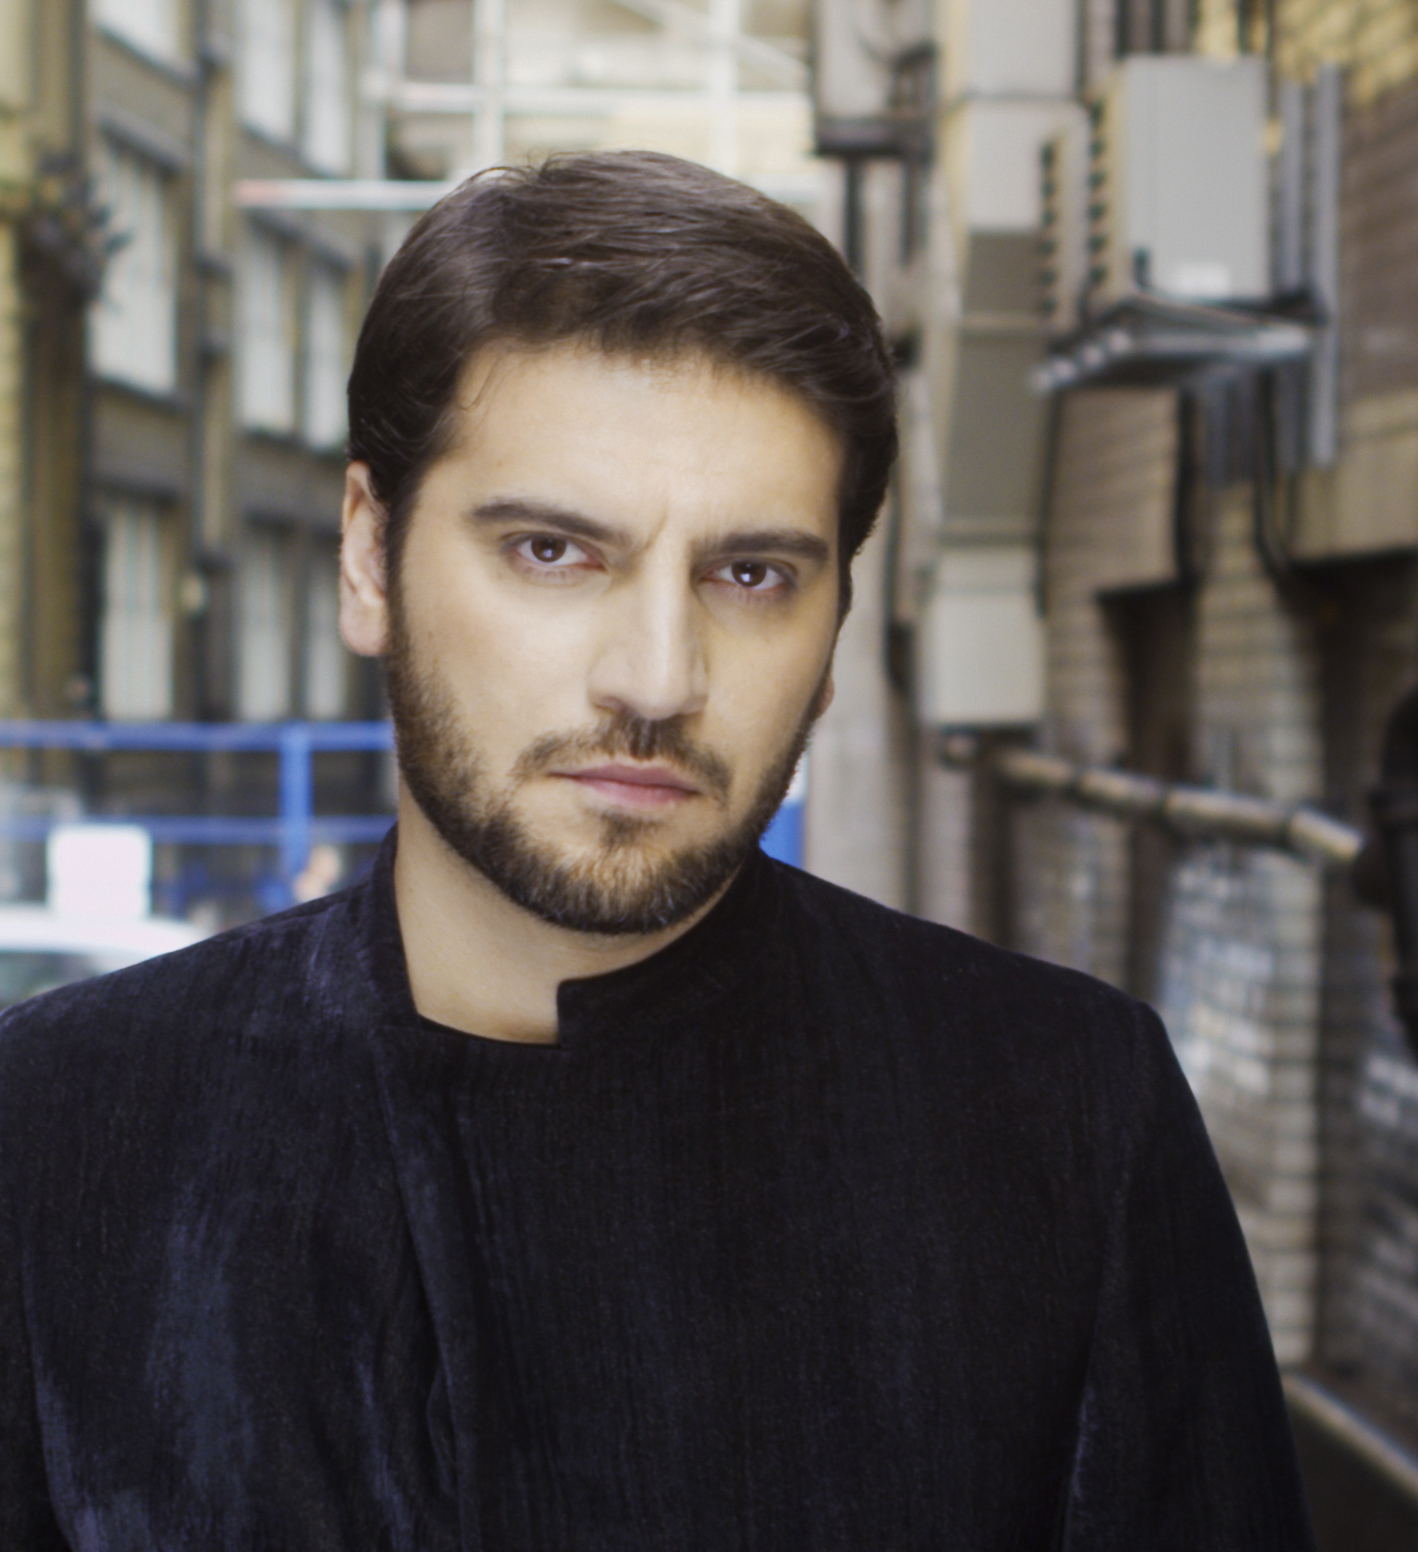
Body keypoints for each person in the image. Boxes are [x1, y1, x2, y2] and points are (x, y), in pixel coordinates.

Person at [0, 152, 1313, 1549]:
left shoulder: (1062, 1117)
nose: (657, 677)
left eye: (750, 575)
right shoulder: (62, 1127)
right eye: (553, 552)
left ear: (834, 625)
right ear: (370, 557)